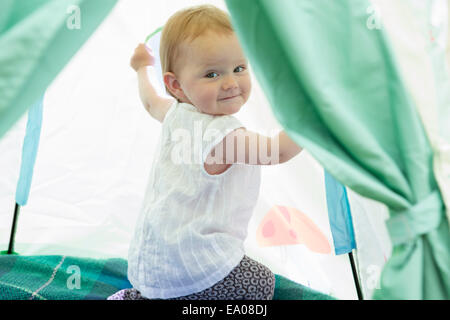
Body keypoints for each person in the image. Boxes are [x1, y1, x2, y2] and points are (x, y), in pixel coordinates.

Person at [108, 4, 302, 300]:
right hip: (192, 268)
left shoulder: (175, 112)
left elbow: (149, 102)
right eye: (212, 74)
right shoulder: (223, 137)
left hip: (149, 262)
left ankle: (142, 297)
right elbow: (276, 151)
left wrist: (141, 69)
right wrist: (313, 120)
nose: (230, 83)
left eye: (239, 68)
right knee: (261, 283)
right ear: (177, 85)